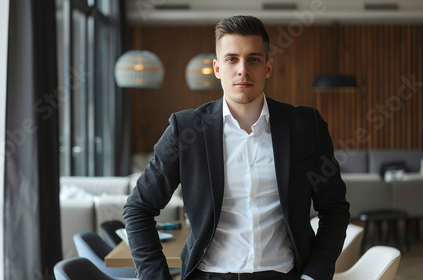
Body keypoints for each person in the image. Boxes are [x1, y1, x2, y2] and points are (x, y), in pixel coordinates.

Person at [123, 15, 350, 280]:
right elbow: (138, 208)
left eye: (253, 59)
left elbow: (334, 209)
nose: (243, 69)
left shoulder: (305, 126)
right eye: (232, 59)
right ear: (217, 68)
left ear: (268, 67)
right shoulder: (185, 130)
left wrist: (314, 275)